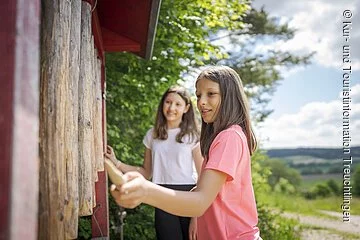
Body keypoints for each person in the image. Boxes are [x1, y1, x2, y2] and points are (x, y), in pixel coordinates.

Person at [109, 66, 261, 240]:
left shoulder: (229, 137)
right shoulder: (220, 138)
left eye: (210, 94)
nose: (201, 102)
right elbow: (207, 190)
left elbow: (201, 201)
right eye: (198, 95)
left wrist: (145, 191)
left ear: (229, 97)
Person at [105, 85, 203, 240]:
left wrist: (197, 215)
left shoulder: (193, 136)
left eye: (178, 104)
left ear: (186, 108)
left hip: (189, 194)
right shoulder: (152, 135)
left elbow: (203, 175)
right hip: (161, 195)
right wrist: (116, 162)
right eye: (168, 102)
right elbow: (146, 172)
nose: (171, 108)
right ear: (162, 104)